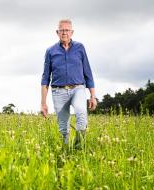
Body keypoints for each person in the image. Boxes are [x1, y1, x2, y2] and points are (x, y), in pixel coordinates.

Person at [41, 19, 97, 149]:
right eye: (62, 30)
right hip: (58, 91)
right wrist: (43, 103)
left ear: (72, 32)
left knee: (81, 114)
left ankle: (78, 148)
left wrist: (92, 96)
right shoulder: (50, 51)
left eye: (67, 30)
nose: (64, 32)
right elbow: (45, 78)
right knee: (63, 127)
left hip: (78, 89)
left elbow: (87, 71)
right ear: (57, 32)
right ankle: (66, 151)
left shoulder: (80, 48)